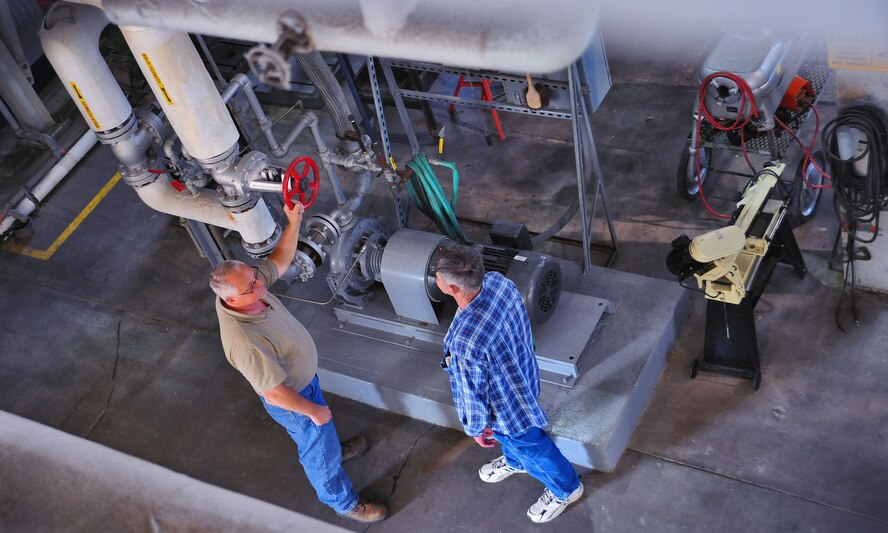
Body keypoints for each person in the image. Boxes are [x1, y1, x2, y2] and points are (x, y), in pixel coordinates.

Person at [208, 201, 387, 524]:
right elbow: (275, 393)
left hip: (304, 382)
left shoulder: (248, 286)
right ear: (231, 299)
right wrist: (312, 410)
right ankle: (344, 502)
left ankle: (334, 448)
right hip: (294, 398)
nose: (261, 285)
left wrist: (294, 220)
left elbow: (279, 259)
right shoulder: (244, 341)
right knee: (315, 445)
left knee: (321, 434)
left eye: (255, 278)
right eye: (252, 286)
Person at [434, 242, 583, 523]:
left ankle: (566, 488)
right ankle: (516, 462)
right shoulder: (498, 282)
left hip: (505, 409)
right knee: (519, 445)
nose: (436, 279)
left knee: (532, 444)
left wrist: (475, 428)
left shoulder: (466, 342)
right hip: (525, 377)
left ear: (452, 288)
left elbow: (472, 393)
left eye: (438, 276)